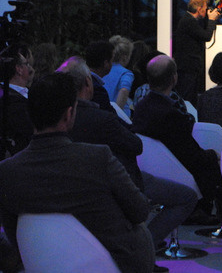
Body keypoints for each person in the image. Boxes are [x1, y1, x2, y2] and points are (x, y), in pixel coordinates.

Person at [0, 72, 155, 273]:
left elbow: (16, 236)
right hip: (115, 263)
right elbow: (140, 210)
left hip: (43, 263)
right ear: (69, 113)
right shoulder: (97, 158)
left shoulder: (7, 172)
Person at [58, 56, 198, 264]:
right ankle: (144, 248)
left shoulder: (58, 119)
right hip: (118, 183)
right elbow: (135, 145)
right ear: (88, 83)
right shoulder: (102, 119)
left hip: (78, 191)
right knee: (186, 197)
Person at [132, 55, 221, 224]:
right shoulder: (171, 115)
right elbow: (191, 155)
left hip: (149, 171)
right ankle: (204, 211)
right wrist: (213, 155)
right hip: (178, 174)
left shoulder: (141, 107)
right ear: (174, 78)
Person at [173, 0, 221, 104]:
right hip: (188, 66)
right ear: (199, 9)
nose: (206, 11)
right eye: (205, 8)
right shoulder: (189, 21)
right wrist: (211, 20)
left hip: (189, 66)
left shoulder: (188, 19)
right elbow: (206, 36)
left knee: (190, 95)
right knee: (188, 96)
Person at [0, 43, 35, 154]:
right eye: (27, 64)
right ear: (19, 69)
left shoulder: (28, 94)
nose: (30, 68)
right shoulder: (11, 100)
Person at [103, 35, 135, 117]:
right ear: (125, 57)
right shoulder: (126, 73)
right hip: (118, 117)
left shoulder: (103, 70)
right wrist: (117, 113)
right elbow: (124, 90)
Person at [85, 40, 117, 113]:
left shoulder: (80, 80)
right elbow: (109, 115)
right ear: (106, 63)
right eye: (112, 60)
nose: (112, 64)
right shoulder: (97, 90)